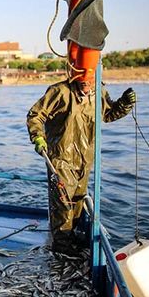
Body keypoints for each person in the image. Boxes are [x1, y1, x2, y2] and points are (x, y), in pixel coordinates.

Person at [26, 77, 135, 253]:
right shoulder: (60, 91)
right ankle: (61, 247)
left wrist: (124, 104)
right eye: (82, 80)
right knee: (63, 203)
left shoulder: (100, 93)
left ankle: (70, 238)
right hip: (61, 158)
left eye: (90, 80)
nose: (86, 84)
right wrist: (38, 136)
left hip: (85, 159)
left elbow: (107, 115)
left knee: (77, 201)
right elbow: (36, 115)